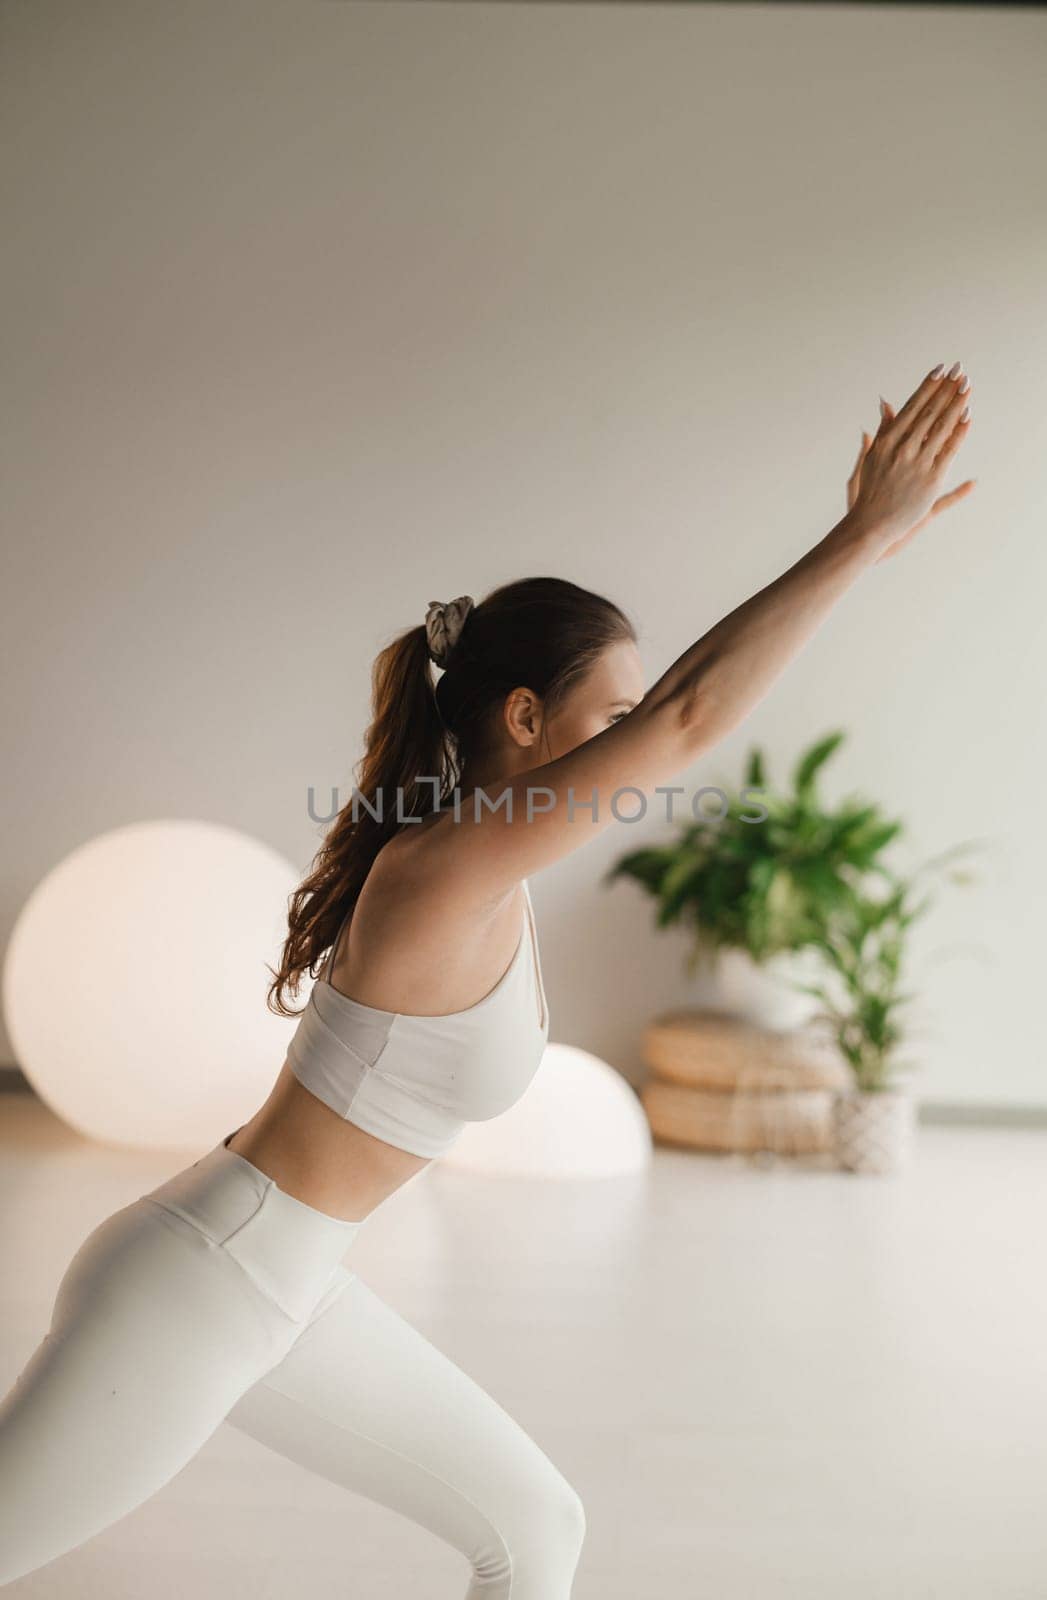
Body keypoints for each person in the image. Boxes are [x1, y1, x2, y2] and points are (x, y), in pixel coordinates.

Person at [0, 363, 973, 1593]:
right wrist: (858, 538)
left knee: (533, 1522)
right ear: (522, 716)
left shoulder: (483, 877)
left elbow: (670, 715)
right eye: (607, 713)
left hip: (279, 1285)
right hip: (205, 1287)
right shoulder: (441, 869)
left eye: (629, 714)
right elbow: (685, 717)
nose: (633, 738)